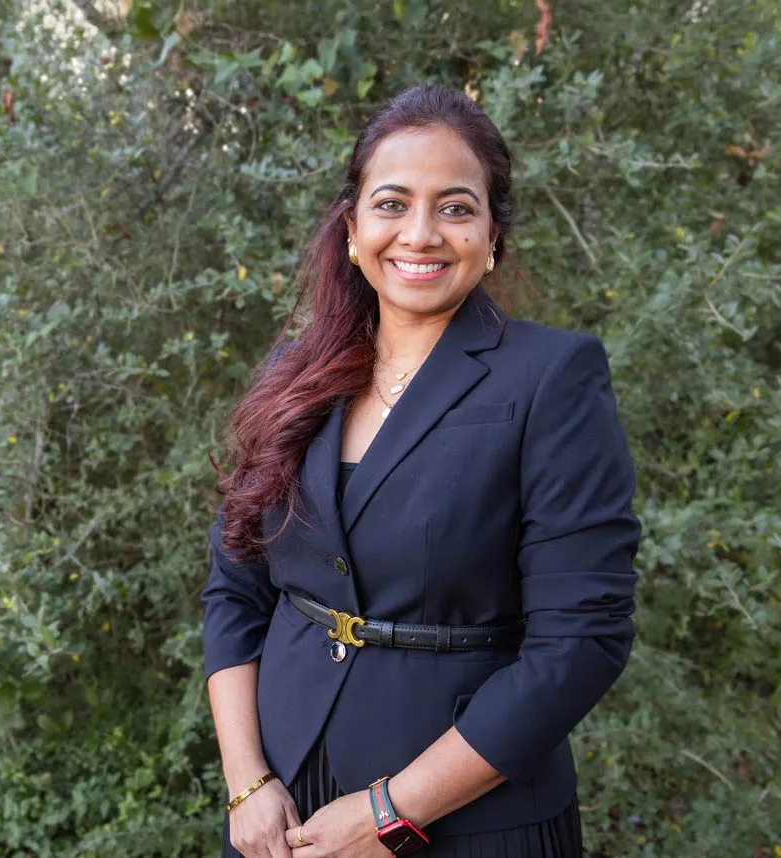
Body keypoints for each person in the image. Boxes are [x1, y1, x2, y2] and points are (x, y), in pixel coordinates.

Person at [201, 84, 640, 858]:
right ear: (352, 227)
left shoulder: (553, 377)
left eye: (457, 207)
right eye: (394, 203)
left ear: (493, 234)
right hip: (282, 811)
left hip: (469, 818)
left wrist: (390, 814)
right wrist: (246, 782)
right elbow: (235, 592)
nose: (421, 233)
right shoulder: (291, 376)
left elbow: (581, 644)